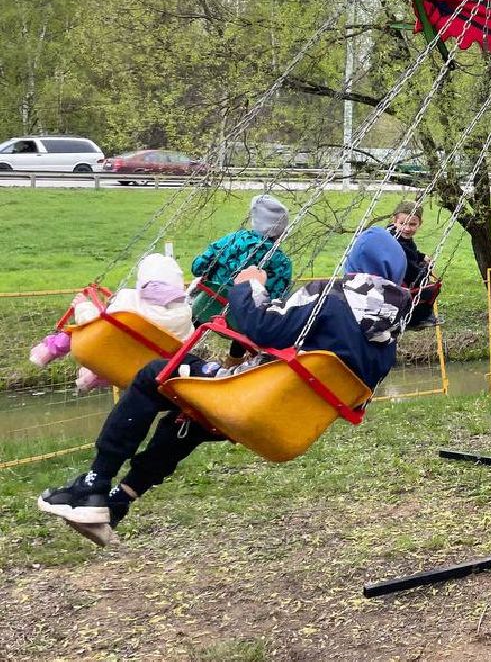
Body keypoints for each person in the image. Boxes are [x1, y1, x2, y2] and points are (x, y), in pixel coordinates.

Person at [35, 227, 412, 547]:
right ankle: (118, 501)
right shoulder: (389, 337)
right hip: (287, 424)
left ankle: (95, 482)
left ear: (354, 262)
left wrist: (250, 287)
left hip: (252, 396)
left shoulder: (330, 298)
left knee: (155, 374)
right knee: (192, 418)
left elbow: (259, 326)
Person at [31, 253, 196, 392]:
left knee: (80, 329)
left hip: (101, 349)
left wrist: (82, 306)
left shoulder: (129, 300)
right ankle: (91, 378)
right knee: (122, 351)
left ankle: (47, 351)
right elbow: (185, 341)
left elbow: (97, 323)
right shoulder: (184, 315)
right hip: (138, 368)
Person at [189, 194, 293, 325]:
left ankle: (187, 340)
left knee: (196, 313)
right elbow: (277, 301)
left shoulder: (232, 239)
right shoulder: (282, 262)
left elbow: (197, 268)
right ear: (282, 230)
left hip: (207, 308)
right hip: (243, 322)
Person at [387, 201, 439, 328]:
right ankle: (415, 319)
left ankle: (419, 316)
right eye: (403, 223)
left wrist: (422, 257)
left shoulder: (402, 237)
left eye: (412, 224)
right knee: (430, 290)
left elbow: (412, 253)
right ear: (395, 221)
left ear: (420, 224)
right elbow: (407, 265)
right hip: (397, 281)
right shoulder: (393, 241)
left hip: (403, 278)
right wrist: (424, 272)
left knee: (427, 287)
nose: (407, 228)